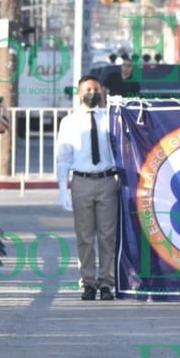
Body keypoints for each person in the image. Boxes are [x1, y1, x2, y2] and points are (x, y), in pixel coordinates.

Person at [56, 76, 119, 301]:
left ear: (101, 91)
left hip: (107, 181)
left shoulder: (111, 119)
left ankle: (106, 282)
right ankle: (88, 282)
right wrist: (63, 188)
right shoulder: (70, 122)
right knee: (84, 236)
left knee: (107, 235)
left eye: (95, 89)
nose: (92, 93)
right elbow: (62, 157)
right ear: (80, 93)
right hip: (82, 181)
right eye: (87, 89)